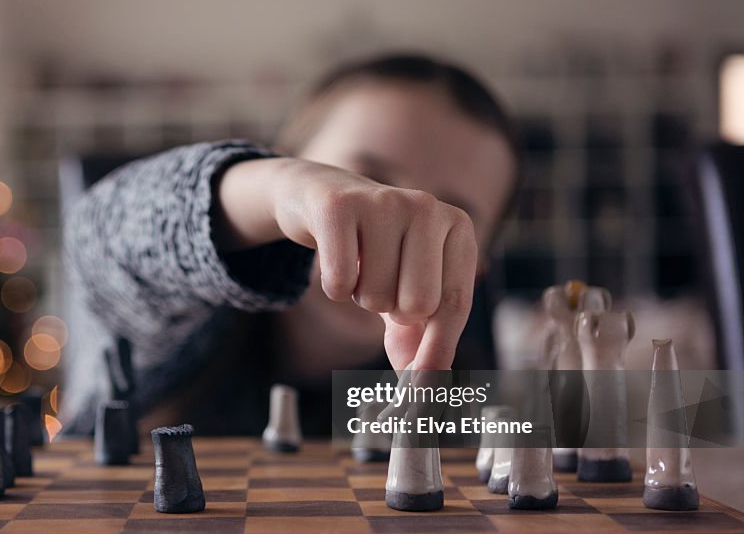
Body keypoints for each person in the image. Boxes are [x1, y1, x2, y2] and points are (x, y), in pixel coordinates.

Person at [61, 53, 520, 436]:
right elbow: (99, 238)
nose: (397, 231)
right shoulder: (179, 328)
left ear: (480, 265)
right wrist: (274, 187)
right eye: (363, 181)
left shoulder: (471, 406)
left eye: (449, 214)